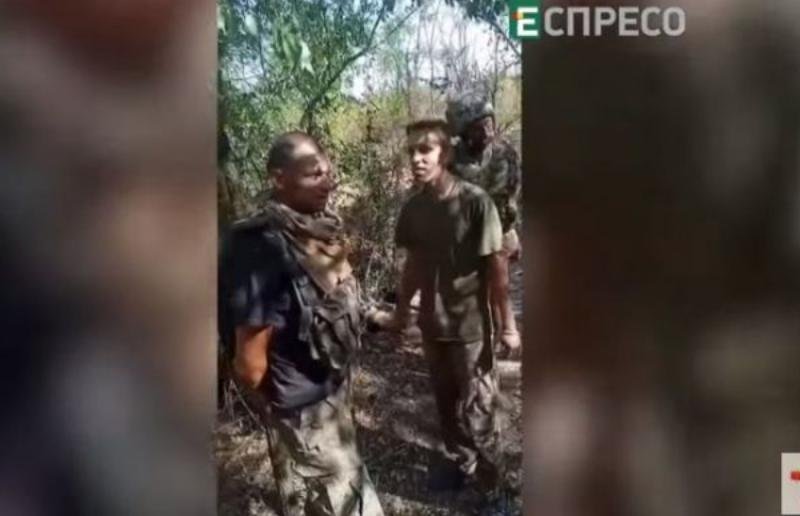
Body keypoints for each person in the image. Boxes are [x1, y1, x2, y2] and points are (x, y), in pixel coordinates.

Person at [218, 131, 384, 516]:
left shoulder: (316, 228)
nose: (327, 182)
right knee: (351, 500)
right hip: (302, 405)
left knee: (316, 494)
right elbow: (250, 363)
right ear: (279, 178)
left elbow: (340, 298)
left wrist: (385, 319)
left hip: (330, 385)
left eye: (328, 172)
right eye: (313, 175)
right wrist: (281, 404)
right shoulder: (258, 246)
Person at [388, 119, 514, 512]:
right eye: (411, 151)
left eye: (425, 150)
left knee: (480, 412)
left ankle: (495, 489)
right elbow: (413, 266)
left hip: (471, 330)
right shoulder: (414, 208)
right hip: (433, 327)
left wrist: (508, 327)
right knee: (446, 407)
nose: (416, 158)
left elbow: (497, 269)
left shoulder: (476, 202)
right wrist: (400, 314)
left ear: (445, 154)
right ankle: (463, 463)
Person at [446, 94, 522, 355]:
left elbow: (508, 197)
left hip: (498, 232)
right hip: (463, 236)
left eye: (489, 124)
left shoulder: (505, 154)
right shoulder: (450, 159)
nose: (487, 131)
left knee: (497, 282)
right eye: (479, 127)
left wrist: (510, 232)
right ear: (464, 132)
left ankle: (506, 331)